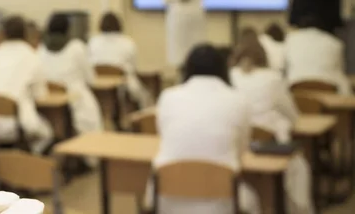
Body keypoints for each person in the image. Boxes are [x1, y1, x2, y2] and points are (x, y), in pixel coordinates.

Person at [146, 44, 260, 214]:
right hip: (222, 203)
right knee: (253, 200)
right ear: (224, 69)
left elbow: (165, 136)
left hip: (166, 199)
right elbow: (240, 151)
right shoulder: (239, 100)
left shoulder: (168, 97)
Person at [229, 34, 313, 214]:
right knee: (300, 168)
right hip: (270, 147)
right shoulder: (273, 78)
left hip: (237, 150)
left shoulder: (230, 76)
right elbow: (292, 115)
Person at [0, 16, 54, 154]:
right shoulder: (31, 57)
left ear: (3, 34)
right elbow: (41, 95)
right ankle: (26, 169)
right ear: (26, 34)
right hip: (18, 125)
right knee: (47, 133)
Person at [38, 14, 104, 139]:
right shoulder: (77, 47)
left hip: (50, 106)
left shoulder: (41, 49)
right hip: (75, 100)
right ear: (68, 29)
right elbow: (90, 79)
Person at [88, 12, 153, 108]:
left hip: (98, 88)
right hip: (124, 86)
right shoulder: (127, 42)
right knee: (145, 96)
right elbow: (134, 68)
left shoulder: (93, 42)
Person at [286, 15, 352, 95]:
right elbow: (340, 71)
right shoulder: (335, 43)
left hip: (295, 89)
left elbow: (284, 69)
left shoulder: (291, 40)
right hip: (330, 91)